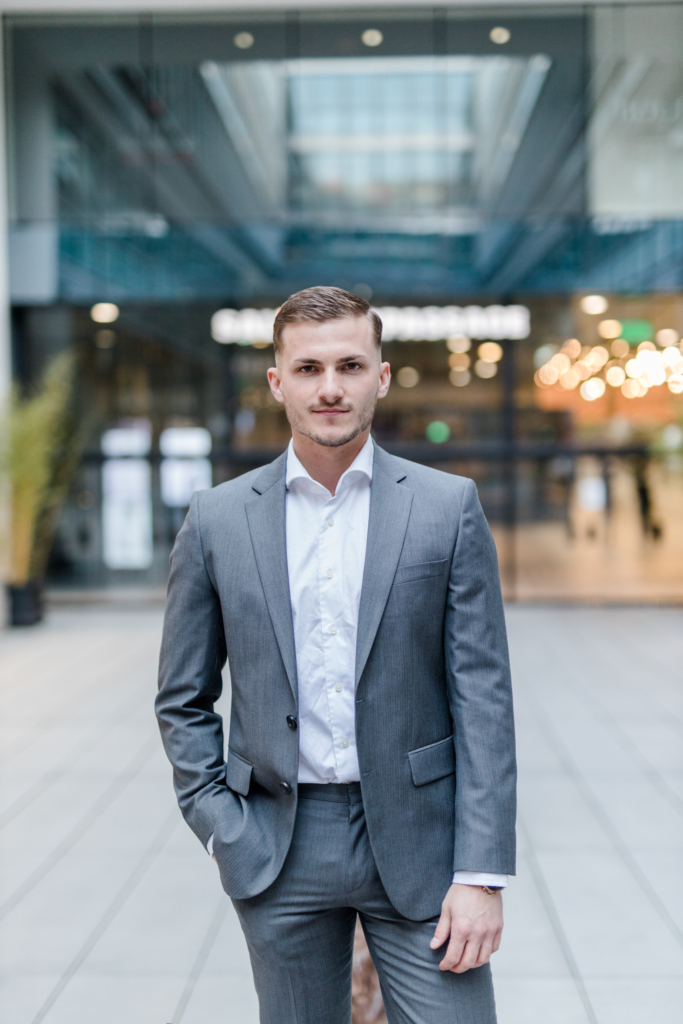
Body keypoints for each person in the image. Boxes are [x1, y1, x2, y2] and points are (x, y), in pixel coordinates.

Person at [156, 286, 516, 1024]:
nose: (330, 388)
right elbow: (182, 698)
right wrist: (222, 827)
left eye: (350, 366)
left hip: (421, 839)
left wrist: (481, 872)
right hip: (278, 843)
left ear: (380, 377)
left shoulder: (447, 508)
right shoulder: (217, 519)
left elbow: (483, 698)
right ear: (277, 382)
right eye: (308, 368)